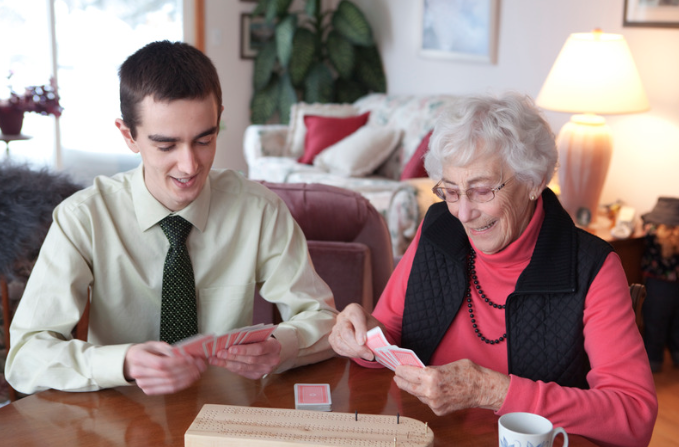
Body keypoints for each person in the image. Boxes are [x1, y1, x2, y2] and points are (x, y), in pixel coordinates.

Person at [6, 41, 337, 396]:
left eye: (204, 140)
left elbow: (325, 320)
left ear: (218, 121)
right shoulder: (84, 218)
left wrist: (282, 345)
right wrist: (124, 362)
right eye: (166, 146)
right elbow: (25, 356)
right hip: (122, 418)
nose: (189, 166)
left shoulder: (260, 210)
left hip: (225, 412)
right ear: (128, 135)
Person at [329, 93, 657, 447]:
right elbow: (388, 332)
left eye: (482, 190)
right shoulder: (438, 228)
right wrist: (362, 336)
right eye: (451, 191)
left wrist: (493, 391)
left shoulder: (591, 267)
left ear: (533, 181)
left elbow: (633, 415)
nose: (464, 213)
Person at [640, 197, 679, 372]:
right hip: (676, 287)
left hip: (657, 287)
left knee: (655, 324)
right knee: (676, 325)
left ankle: (654, 361)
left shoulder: (652, 234)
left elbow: (644, 219)